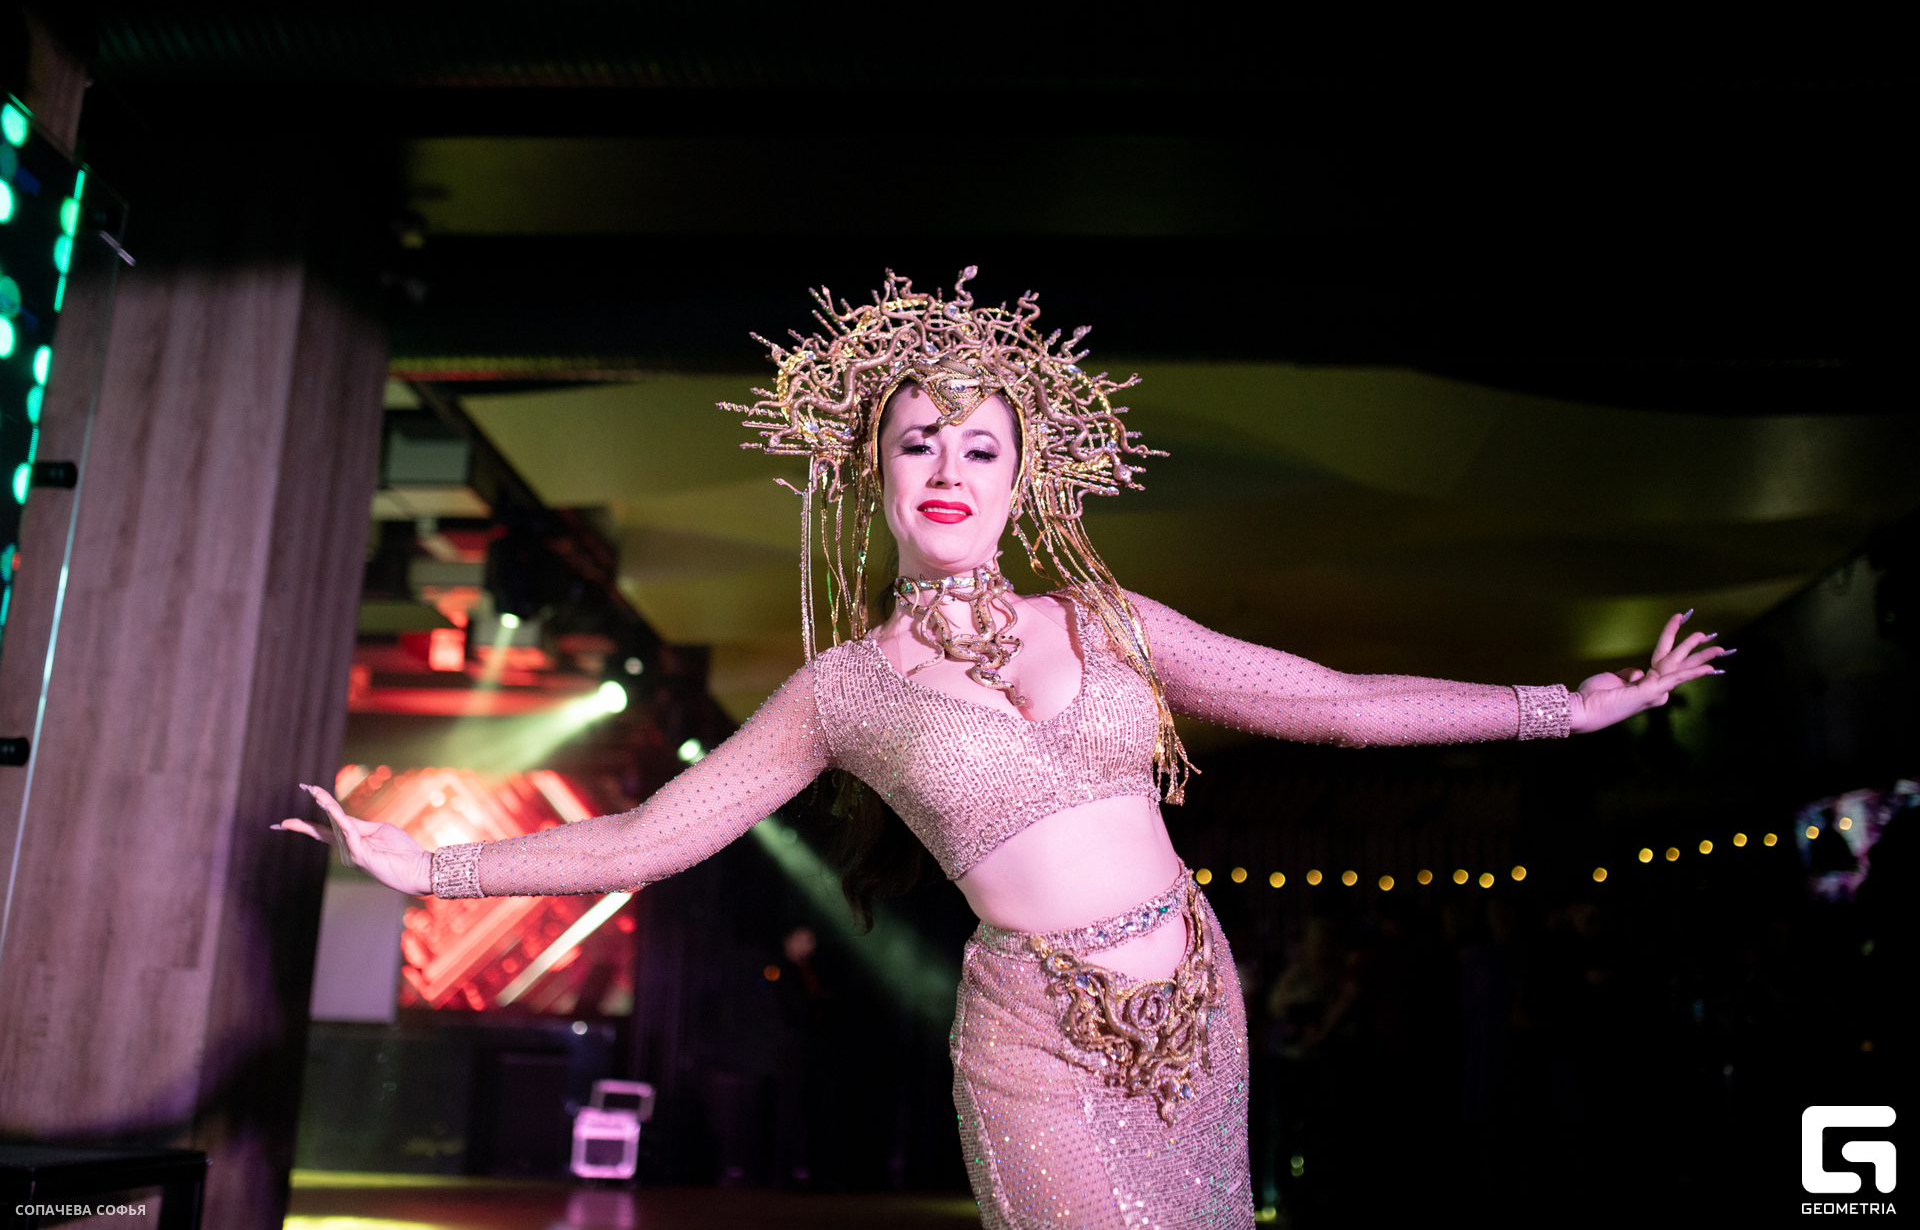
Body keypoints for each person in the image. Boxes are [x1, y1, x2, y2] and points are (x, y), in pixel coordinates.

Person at [278, 268, 1727, 1228]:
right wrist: (432, 867)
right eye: (918, 443)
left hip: (1196, 999)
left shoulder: (1109, 619)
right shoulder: (841, 691)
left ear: (1025, 477)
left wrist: (1565, 706)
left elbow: (1338, 703)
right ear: (873, 472)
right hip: (1036, 1031)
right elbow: (655, 835)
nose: (948, 469)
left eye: (981, 447)